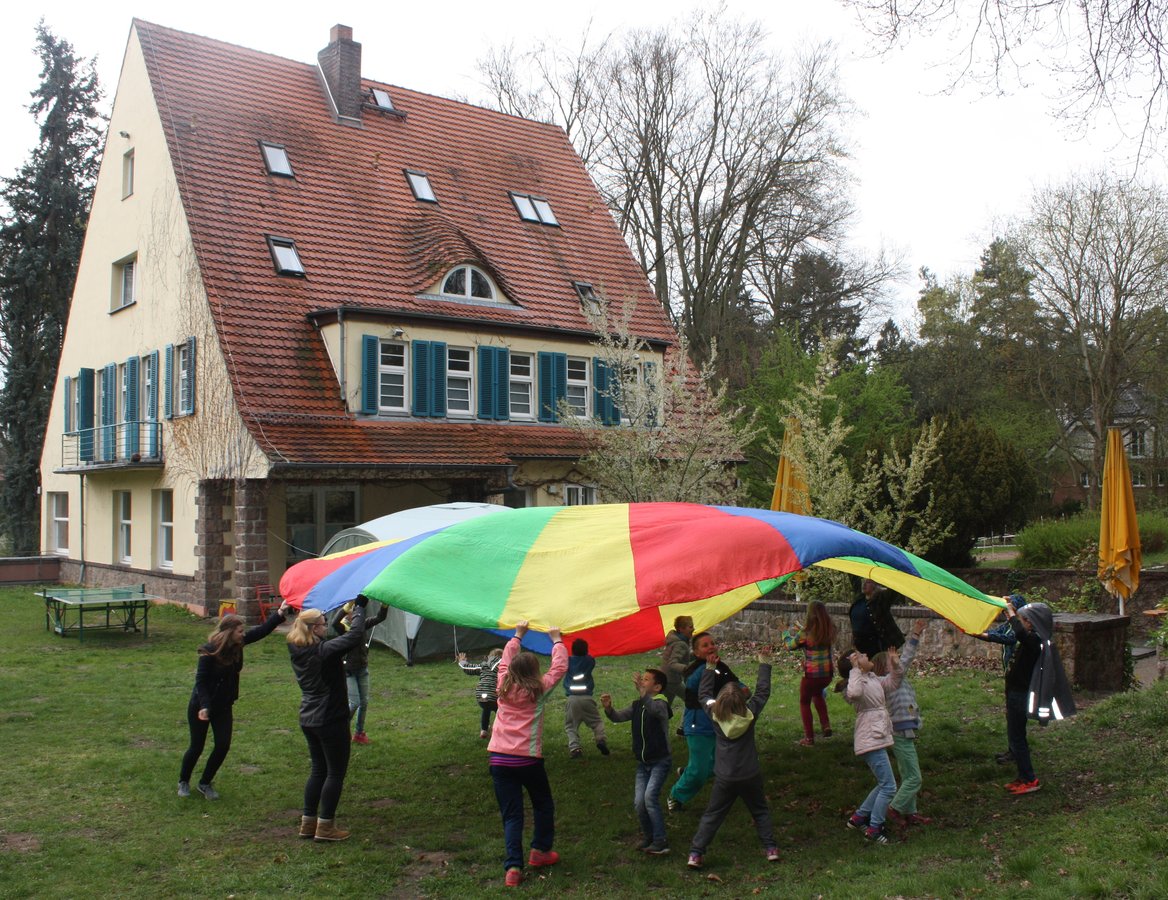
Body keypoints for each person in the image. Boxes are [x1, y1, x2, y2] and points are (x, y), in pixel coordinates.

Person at [178, 601, 291, 800]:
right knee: (197, 746)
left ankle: (205, 783)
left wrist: (280, 613)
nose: (243, 634)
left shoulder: (238, 645)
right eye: (240, 631)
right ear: (229, 632)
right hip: (201, 705)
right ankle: (183, 781)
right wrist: (204, 706)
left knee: (222, 745)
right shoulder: (208, 651)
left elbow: (262, 631)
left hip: (223, 705)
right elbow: (201, 682)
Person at [488, 621, 568, 888]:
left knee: (512, 815)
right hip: (527, 759)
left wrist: (517, 635)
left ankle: (513, 868)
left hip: (499, 759)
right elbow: (559, 669)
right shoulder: (539, 689)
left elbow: (504, 660)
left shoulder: (502, 685)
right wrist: (556, 640)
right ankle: (540, 851)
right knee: (543, 804)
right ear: (535, 672)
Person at [686, 647, 778, 869]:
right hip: (749, 773)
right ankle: (771, 849)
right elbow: (762, 692)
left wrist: (709, 668)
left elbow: (703, 695)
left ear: (720, 703)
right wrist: (764, 662)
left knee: (713, 815)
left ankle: (696, 854)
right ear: (742, 702)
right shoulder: (751, 712)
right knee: (760, 811)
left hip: (725, 776)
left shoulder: (714, 714)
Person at [287, 598, 369, 842]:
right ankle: (325, 827)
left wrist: (348, 607)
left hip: (309, 717)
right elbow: (354, 636)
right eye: (322, 624)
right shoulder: (323, 651)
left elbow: (334, 630)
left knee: (318, 770)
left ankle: (308, 823)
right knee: (334, 773)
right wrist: (361, 610)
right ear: (314, 629)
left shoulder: (298, 647)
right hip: (330, 718)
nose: (326, 627)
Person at [1001, 598, 1076, 795]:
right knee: (1017, 737)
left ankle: (1029, 779)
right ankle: (1023, 776)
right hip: (1016, 693)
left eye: (1023, 620)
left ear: (1031, 623)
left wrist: (1010, 614)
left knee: (1016, 738)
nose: (1021, 623)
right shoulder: (1037, 639)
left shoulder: (1036, 641)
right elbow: (1021, 632)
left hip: (1020, 695)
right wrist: (1013, 614)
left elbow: (1020, 634)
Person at [668, 631, 745, 813]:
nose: (711, 646)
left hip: (719, 723)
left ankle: (689, 771)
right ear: (696, 652)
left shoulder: (721, 666)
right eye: (705, 645)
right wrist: (708, 668)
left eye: (712, 643)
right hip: (698, 725)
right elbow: (693, 685)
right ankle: (676, 795)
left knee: (721, 765)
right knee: (699, 772)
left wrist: (742, 689)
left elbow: (731, 681)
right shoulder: (694, 669)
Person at [601, 668, 673, 855]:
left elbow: (655, 710)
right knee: (639, 802)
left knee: (650, 798)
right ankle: (649, 836)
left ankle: (660, 841)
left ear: (657, 687)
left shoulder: (661, 704)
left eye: (646, 680)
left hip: (660, 761)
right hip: (643, 763)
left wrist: (643, 695)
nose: (642, 681)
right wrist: (609, 708)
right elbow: (618, 717)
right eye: (642, 679)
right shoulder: (637, 705)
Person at [840, 648, 902, 844]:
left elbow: (893, 683)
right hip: (870, 738)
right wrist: (855, 670)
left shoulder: (873, 677)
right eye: (863, 655)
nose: (868, 656)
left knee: (884, 783)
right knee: (889, 787)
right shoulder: (856, 681)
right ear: (856, 663)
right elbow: (855, 693)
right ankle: (874, 827)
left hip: (877, 734)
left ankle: (859, 818)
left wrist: (895, 664)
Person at [874, 617, 932, 827]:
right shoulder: (887, 683)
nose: (898, 660)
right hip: (900, 734)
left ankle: (910, 812)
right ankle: (895, 808)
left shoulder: (895, 680)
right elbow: (906, 658)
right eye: (893, 659)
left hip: (904, 733)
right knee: (915, 778)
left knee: (908, 774)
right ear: (885, 668)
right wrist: (915, 635)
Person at [972, 594, 1027, 764]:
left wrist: (983, 635)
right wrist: (977, 632)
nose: (1006, 613)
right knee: (1011, 716)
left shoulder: (1020, 629)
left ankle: (1018, 752)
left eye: (1009, 610)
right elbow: (996, 632)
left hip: (1020, 680)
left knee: (1016, 717)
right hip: (1010, 677)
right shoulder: (1009, 625)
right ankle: (1013, 750)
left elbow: (1007, 638)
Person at [329, 600, 389, 745]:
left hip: (362, 669)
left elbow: (380, 618)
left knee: (364, 702)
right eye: (351, 613)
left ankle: (359, 733)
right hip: (349, 671)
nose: (353, 616)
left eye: (354, 614)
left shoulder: (362, 625)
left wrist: (384, 605)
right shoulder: (344, 629)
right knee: (354, 702)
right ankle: (340, 729)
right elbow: (334, 622)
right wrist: (347, 606)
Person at [781, 600, 837, 746]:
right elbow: (815, 637)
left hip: (811, 676)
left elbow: (790, 646)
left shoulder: (805, 633)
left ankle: (809, 739)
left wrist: (784, 632)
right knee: (817, 694)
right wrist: (801, 628)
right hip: (827, 674)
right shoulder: (829, 629)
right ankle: (826, 726)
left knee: (804, 702)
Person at [563, 638, 609, 758]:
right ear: (586, 650)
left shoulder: (567, 661)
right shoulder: (590, 661)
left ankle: (575, 748)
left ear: (572, 651)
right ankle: (600, 739)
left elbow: (561, 660)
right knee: (597, 722)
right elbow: (589, 657)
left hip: (572, 699)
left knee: (571, 726)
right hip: (587, 698)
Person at [849, 578, 904, 657]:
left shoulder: (881, 599)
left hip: (875, 646)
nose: (864, 584)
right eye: (863, 582)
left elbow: (893, 590)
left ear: (875, 585)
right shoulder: (859, 599)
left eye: (868, 582)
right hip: (859, 644)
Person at [458, 647, 504, 738]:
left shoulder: (484, 665)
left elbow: (468, 668)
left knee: (486, 709)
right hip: (494, 695)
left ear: (489, 656)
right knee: (499, 711)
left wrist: (462, 661)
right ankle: (498, 729)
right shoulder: (503, 666)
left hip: (481, 695)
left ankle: (484, 730)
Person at [662, 616, 695, 719]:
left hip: (665, 679)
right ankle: (683, 728)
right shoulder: (680, 643)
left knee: (663, 708)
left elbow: (683, 657)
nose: (693, 629)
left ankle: (656, 727)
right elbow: (673, 663)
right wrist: (687, 669)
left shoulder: (677, 640)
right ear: (681, 629)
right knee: (692, 700)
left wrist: (697, 654)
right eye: (690, 627)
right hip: (672, 680)